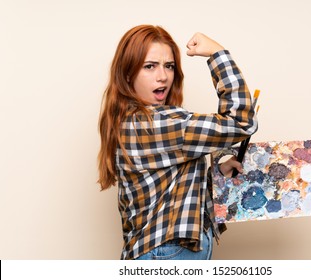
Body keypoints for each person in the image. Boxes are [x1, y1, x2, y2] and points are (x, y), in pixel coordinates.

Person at [98, 25, 257, 260]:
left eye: (169, 66)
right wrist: (217, 53)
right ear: (128, 73)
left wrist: (216, 171)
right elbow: (241, 121)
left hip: (163, 253)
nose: (163, 76)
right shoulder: (154, 123)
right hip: (167, 253)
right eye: (149, 66)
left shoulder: (134, 122)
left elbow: (166, 191)